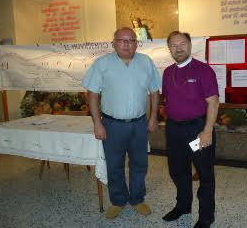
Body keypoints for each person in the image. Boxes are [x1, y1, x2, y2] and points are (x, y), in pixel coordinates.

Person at [82, 27, 161, 220]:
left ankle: (137, 198)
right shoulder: (102, 64)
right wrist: (97, 123)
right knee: (114, 165)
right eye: (122, 40)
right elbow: (92, 94)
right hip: (112, 125)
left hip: (139, 124)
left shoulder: (146, 62)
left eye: (131, 40)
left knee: (139, 164)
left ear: (136, 43)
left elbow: (154, 92)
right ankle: (118, 201)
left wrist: (153, 117)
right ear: (114, 43)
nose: (127, 44)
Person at [162, 31, 219, 228]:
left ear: (189, 45)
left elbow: (213, 102)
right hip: (175, 130)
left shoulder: (203, 70)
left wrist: (207, 130)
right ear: (169, 49)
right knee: (177, 171)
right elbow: (168, 99)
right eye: (174, 45)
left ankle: (206, 216)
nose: (178, 48)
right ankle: (183, 206)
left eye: (182, 43)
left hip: (197, 130)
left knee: (204, 173)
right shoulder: (168, 72)